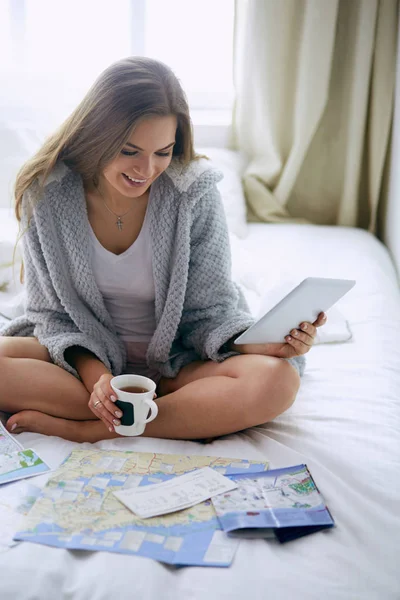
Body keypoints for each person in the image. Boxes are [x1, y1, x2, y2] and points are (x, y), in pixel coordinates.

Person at [0, 57, 326, 443]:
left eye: (163, 152)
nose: (147, 169)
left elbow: (210, 311)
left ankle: (90, 430)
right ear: (96, 136)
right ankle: (149, 412)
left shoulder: (193, 193)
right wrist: (100, 380)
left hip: (178, 367)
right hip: (81, 370)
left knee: (276, 380)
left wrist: (263, 344)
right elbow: (53, 318)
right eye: (129, 151)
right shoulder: (47, 194)